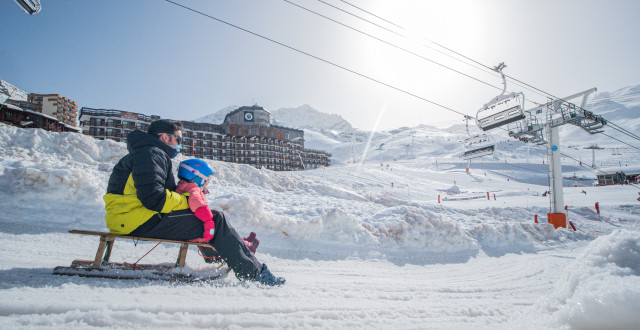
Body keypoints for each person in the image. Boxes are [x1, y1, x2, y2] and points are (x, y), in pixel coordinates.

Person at [103, 119, 284, 285]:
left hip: (130, 218)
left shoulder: (146, 153)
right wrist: (188, 199)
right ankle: (254, 273)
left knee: (203, 217)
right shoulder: (151, 154)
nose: (180, 145)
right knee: (216, 220)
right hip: (137, 220)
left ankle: (229, 252)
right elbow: (153, 198)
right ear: (165, 137)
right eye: (178, 140)